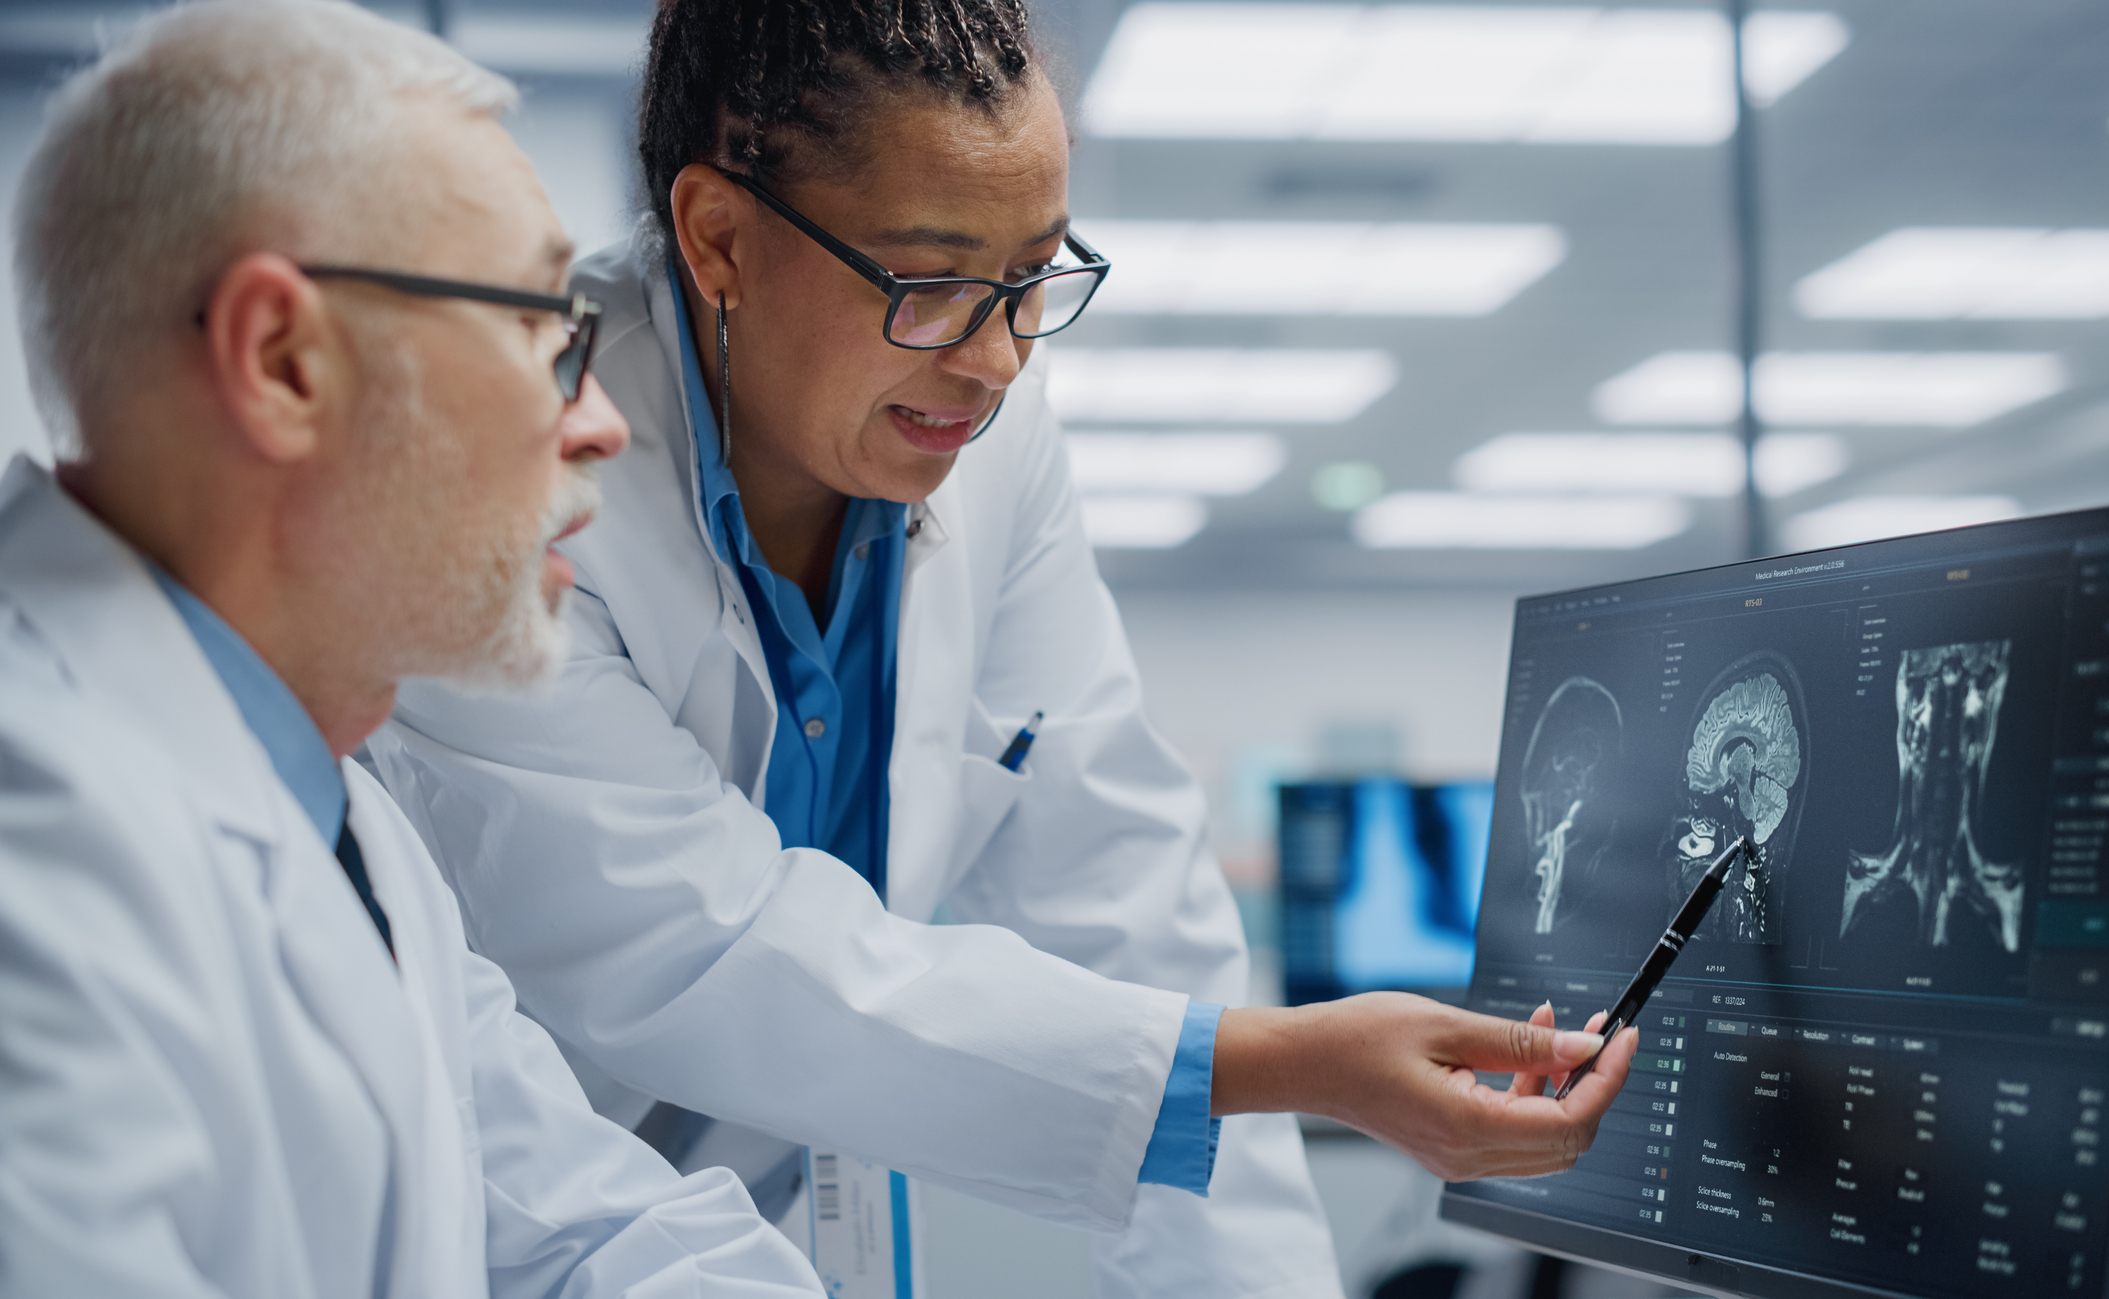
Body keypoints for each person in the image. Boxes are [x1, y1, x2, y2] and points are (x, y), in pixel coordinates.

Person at [366, 0, 1637, 1290]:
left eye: (1033, 280)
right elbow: (709, 947)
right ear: (719, 238)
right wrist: (1267, 1065)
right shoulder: (518, 452)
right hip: (510, 1219)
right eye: (928, 286)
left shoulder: (983, 446)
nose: (999, 360)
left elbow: (1130, 902)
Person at [0, 3, 825, 1293]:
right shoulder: (39, 853)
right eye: (544, 337)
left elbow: (586, 1230)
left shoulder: (347, 825)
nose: (600, 423)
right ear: (283, 363)